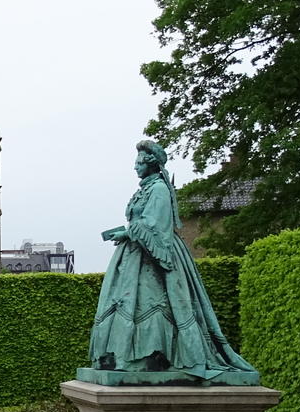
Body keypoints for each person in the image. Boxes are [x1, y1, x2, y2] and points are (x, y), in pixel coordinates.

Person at [89, 139, 256, 381]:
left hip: (154, 259)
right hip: (134, 257)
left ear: (150, 163)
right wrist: (127, 232)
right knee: (127, 302)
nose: (134, 167)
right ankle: (126, 358)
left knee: (153, 303)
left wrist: (127, 232)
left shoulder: (158, 189)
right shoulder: (146, 189)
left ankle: (152, 357)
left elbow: (154, 225)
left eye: (138, 163)